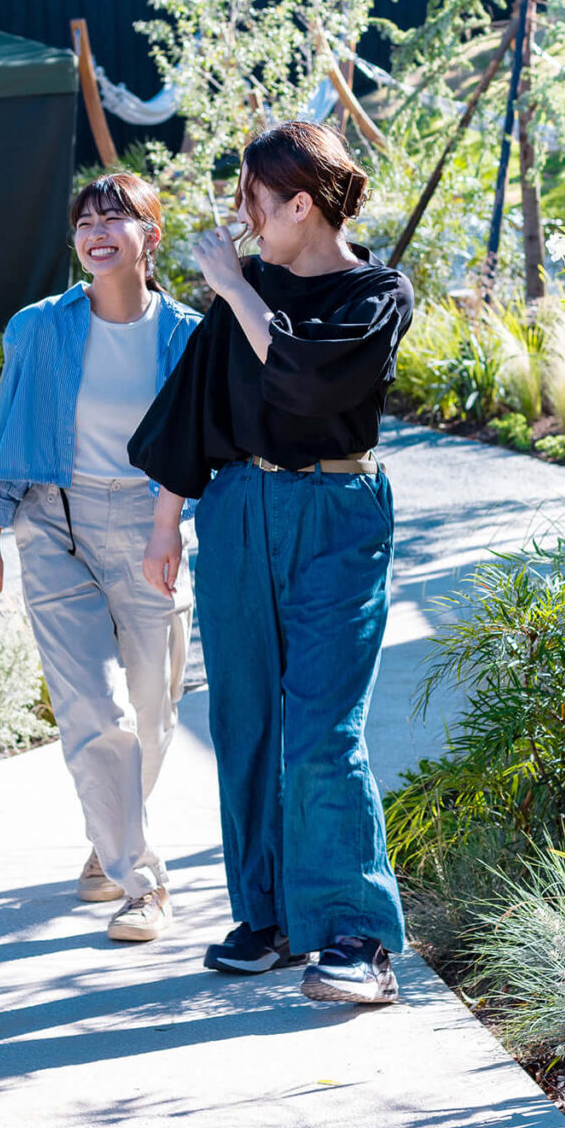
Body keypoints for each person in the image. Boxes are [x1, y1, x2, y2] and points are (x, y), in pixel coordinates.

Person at [129, 120, 417, 1006]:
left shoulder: (377, 293)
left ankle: (356, 937)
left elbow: (308, 377)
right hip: (239, 508)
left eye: (254, 201)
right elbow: (192, 406)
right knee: (245, 720)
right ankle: (271, 918)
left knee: (322, 727)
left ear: (300, 204)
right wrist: (165, 527)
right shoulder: (247, 288)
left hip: (337, 511)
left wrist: (230, 287)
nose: (243, 220)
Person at [0, 172, 201, 943]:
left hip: (152, 525)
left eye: (114, 219)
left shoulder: (188, 335)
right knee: (96, 708)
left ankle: (109, 840)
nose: (96, 232)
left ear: (150, 236)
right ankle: (142, 881)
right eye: (85, 222)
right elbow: (11, 431)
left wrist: (175, 527)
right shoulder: (38, 327)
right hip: (54, 524)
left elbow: (199, 446)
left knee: (154, 710)